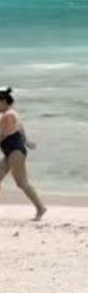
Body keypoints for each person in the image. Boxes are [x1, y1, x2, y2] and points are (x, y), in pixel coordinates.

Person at [0, 87, 47, 220]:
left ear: (3, 101)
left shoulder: (8, 115)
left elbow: (3, 134)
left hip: (15, 152)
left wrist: (24, 142)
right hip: (12, 151)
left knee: (22, 182)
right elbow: (20, 130)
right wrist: (26, 141)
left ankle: (40, 208)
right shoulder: (12, 113)